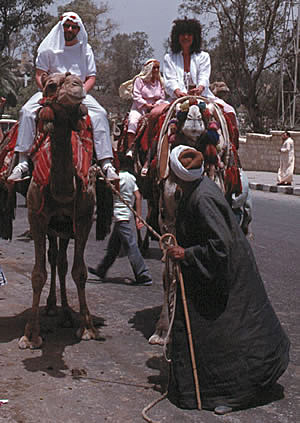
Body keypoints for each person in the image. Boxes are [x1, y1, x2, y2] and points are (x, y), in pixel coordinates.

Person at [166, 145, 290, 414]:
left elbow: (219, 246)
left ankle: (236, 392)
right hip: (218, 269)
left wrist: (186, 253)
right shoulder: (195, 189)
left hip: (227, 271)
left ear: (177, 175)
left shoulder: (202, 199)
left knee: (232, 330)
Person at [7, 12, 118, 182]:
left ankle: (106, 163)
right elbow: (40, 74)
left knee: (100, 114)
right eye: (67, 25)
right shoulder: (48, 47)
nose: (70, 29)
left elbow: (91, 77)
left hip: (77, 93)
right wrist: (46, 90)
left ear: (78, 29)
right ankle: (22, 163)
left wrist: (81, 94)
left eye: (74, 27)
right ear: (61, 26)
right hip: (51, 92)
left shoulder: (85, 49)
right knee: (26, 112)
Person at [88, 154, 152, 286]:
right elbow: (138, 197)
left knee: (131, 246)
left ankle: (143, 274)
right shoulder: (131, 178)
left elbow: (113, 191)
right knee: (113, 248)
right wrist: (138, 217)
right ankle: (102, 270)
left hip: (120, 216)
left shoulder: (117, 178)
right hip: (126, 215)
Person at [163, 18, 236, 116]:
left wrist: (200, 88)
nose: (186, 37)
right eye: (182, 34)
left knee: (230, 112)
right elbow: (169, 80)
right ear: (177, 36)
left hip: (203, 97)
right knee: (154, 114)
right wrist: (177, 91)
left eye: (189, 34)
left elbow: (204, 77)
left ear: (194, 37)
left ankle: (234, 131)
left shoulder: (204, 56)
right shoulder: (169, 58)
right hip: (177, 99)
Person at [119, 59, 168, 158]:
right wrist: (146, 105)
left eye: (158, 67)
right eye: (154, 68)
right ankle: (131, 148)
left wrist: (156, 105)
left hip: (156, 107)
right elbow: (136, 96)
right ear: (149, 69)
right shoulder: (139, 80)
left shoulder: (160, 81)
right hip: (140, 108)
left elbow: (162, 97)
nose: (156, 70)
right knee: (133, 121)